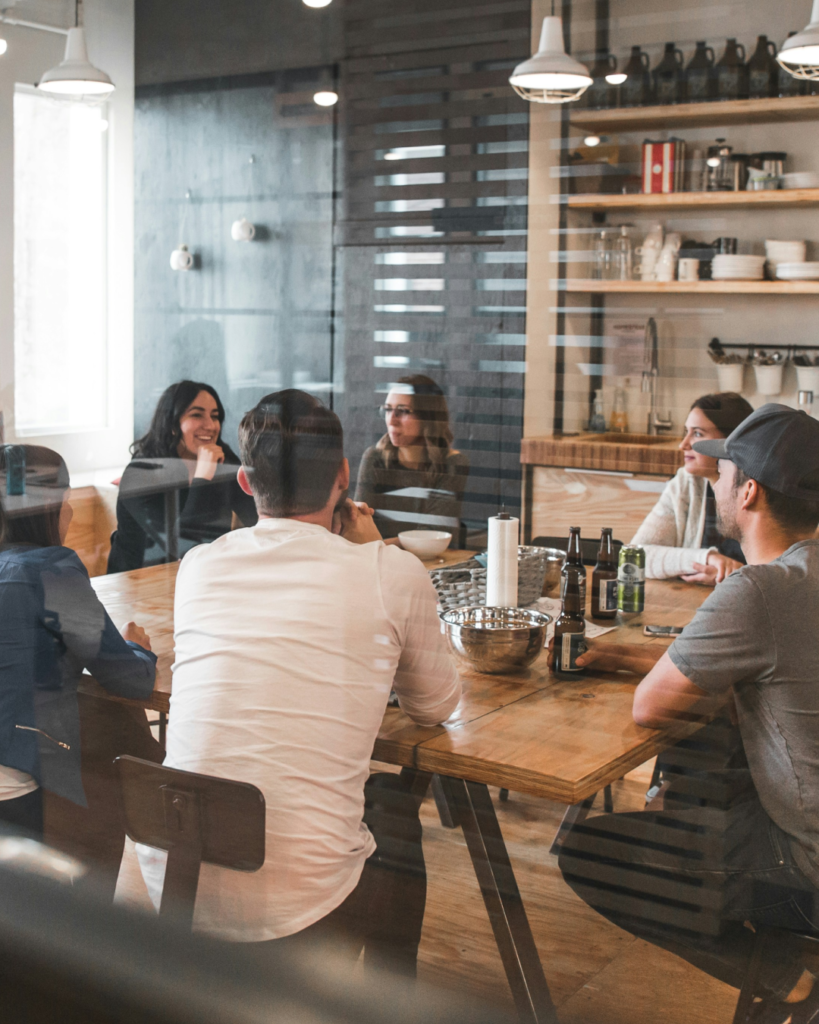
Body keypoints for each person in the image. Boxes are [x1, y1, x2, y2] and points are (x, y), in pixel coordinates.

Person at [134, 389, 461, 971]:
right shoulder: (391, 571)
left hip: (171, 881)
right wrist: (375, 551)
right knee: (394, 815)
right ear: (342, 476)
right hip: (300, 908)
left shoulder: (200, 567)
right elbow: (435, 706)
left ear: (244, 481)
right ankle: (390, 1002)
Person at [557, 404, 819, 1024]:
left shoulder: (758, 592)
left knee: (589, 855)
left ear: (748, 491)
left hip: (806, 864)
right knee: (701, 771)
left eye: (726, 467)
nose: (717, 475)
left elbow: (651, 707)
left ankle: (792, 984)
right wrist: (619, 652)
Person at [0, 445, 157, 844]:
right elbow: (129, 680)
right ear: (50, 508)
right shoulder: (51, 571)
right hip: (17, 780)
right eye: (67, 501)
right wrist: (137, 646)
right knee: (116, 744)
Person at [107, 381, 258, 573]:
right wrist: (203, 477)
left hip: (202, 574)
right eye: (196, 415)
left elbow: (258, 517)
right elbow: (181, 547)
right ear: (172, 424)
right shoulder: (140, 473)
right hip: (139, 582)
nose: (210, 425)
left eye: (215, 416)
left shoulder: (223, 459)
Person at [631, 392, 753, 584]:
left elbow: (784, 573)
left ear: (730, 441)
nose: (683, 444)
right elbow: (636, 555)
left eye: (697, 433)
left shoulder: (761, 491)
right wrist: (707, 558)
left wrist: (729, 576)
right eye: (686, 432)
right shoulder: (685, 483)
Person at [354, 375, 470, 541]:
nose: (392, 420)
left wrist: (378, 545)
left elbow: (434, 534)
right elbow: (359, 523)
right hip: (381, 560)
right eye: (387, 410)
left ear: (427, 417)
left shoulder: (453, 464)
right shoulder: (375, 458)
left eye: (403, 411)